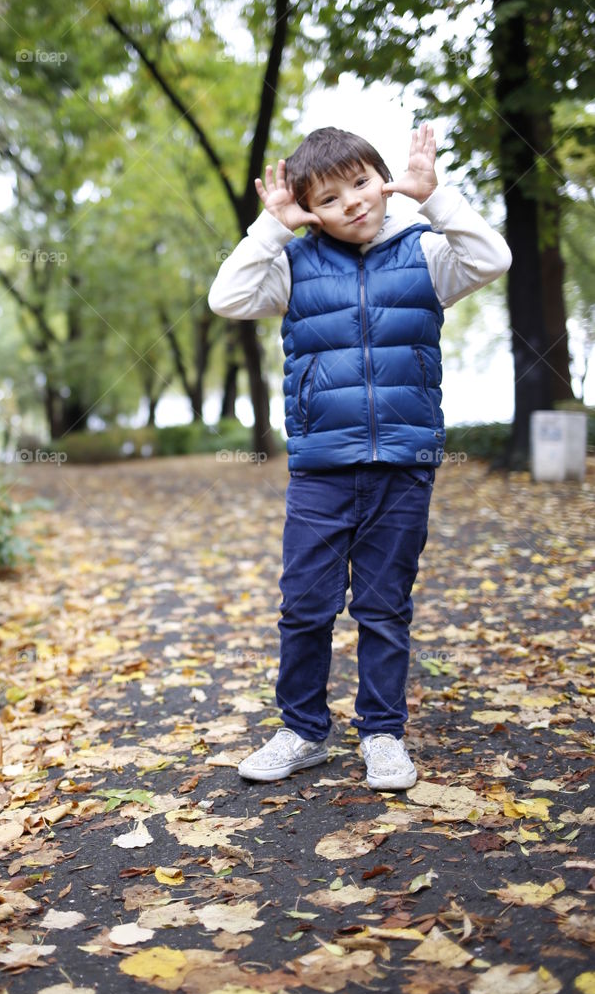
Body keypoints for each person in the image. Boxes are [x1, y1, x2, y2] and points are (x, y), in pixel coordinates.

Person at [207, 124, 512, 790]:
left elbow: (492, 258)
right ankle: (302, 730)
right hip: (320, 468)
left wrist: (437, 200)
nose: (351, 202)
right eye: (329, 196)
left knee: (382, 606)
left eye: (361, 182)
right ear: (309, 210)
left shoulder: (426, 256)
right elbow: (224, 298)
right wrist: (272, 227)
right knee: (305, 604)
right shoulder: (293, 267)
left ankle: (381, 733)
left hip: (402, 466)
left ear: (383, 180)